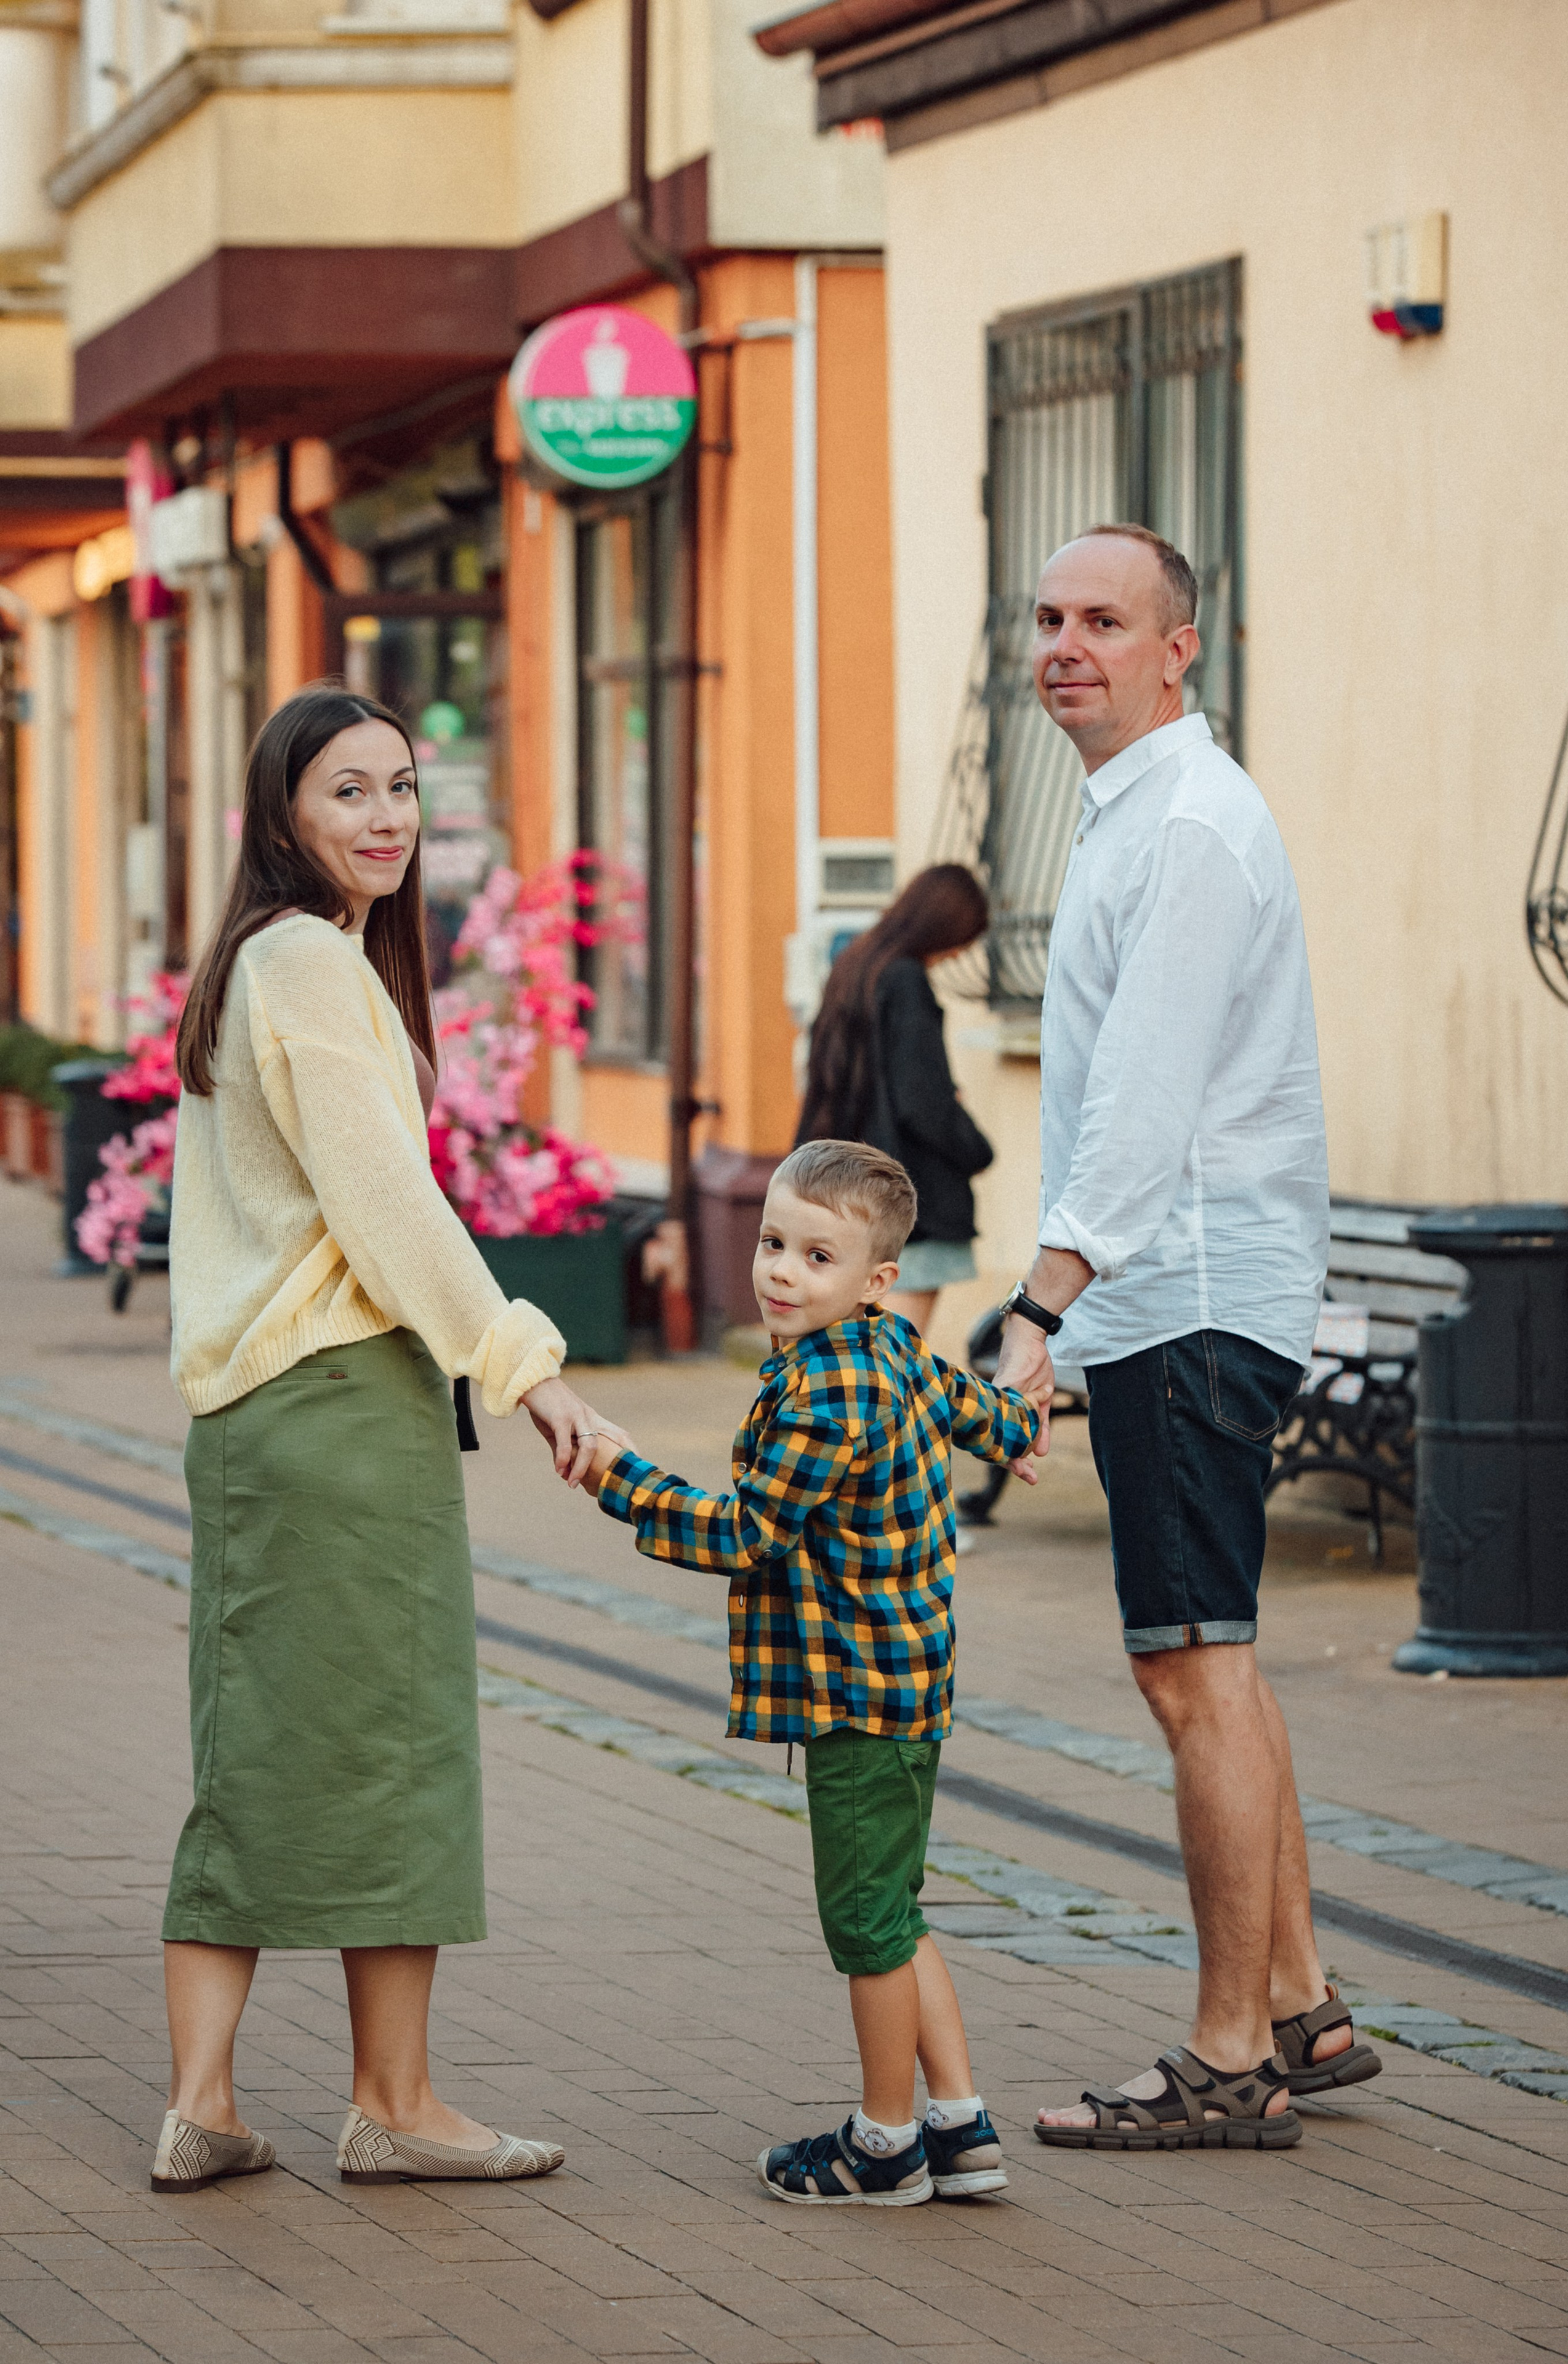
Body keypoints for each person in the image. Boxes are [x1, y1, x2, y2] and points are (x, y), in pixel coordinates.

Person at [155, 684, 610, 2195]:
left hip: (255, 1415)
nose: (386, 816)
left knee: (251, 1751)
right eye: (347, 791)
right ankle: (394, 2103)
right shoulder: (305, 960)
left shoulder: (264, 958)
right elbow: (387, 1206)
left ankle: (204, 2103)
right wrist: (527, 1365)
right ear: (283, 814)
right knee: (396, 1752)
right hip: (343, 1403)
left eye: (402, 786)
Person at [994, 526, 1381, 2153]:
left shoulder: (1190, 828)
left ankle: (1228, 2061)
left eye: (1103, 620)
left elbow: (1145, 1104)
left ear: (1178, 649)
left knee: (1186, 1668)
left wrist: (1038, 1305)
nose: (1065, 645)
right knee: (1218, 1657)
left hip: (1187, 1296)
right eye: (1049, 617)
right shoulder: (1141, 813)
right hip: (1186, 1293)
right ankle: (1297, 2001)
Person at [579, 1140, 1048, 2203]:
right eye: (773, 1244)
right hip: (910, 1687)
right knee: (897, 1908)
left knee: (867, 1928)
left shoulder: (828, 1391)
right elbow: (975, 1407)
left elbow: (748, 1533)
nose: (782, 1273)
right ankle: (959, 2127)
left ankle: (884, 2145)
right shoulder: (890, 1346)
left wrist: (620, 1479)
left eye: (817, 1257)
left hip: (856, 1698)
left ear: (877, 1280)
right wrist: (1020, 1423)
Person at [797, 865, 992, 1338]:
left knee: (853, 1350)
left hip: (849, 1190)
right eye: (963, 938)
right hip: (905, 1200)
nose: (960, 952)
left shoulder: (854, 965)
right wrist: (977, 1149)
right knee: (890, 1357)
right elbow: (921, 1102)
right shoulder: (905, 980)